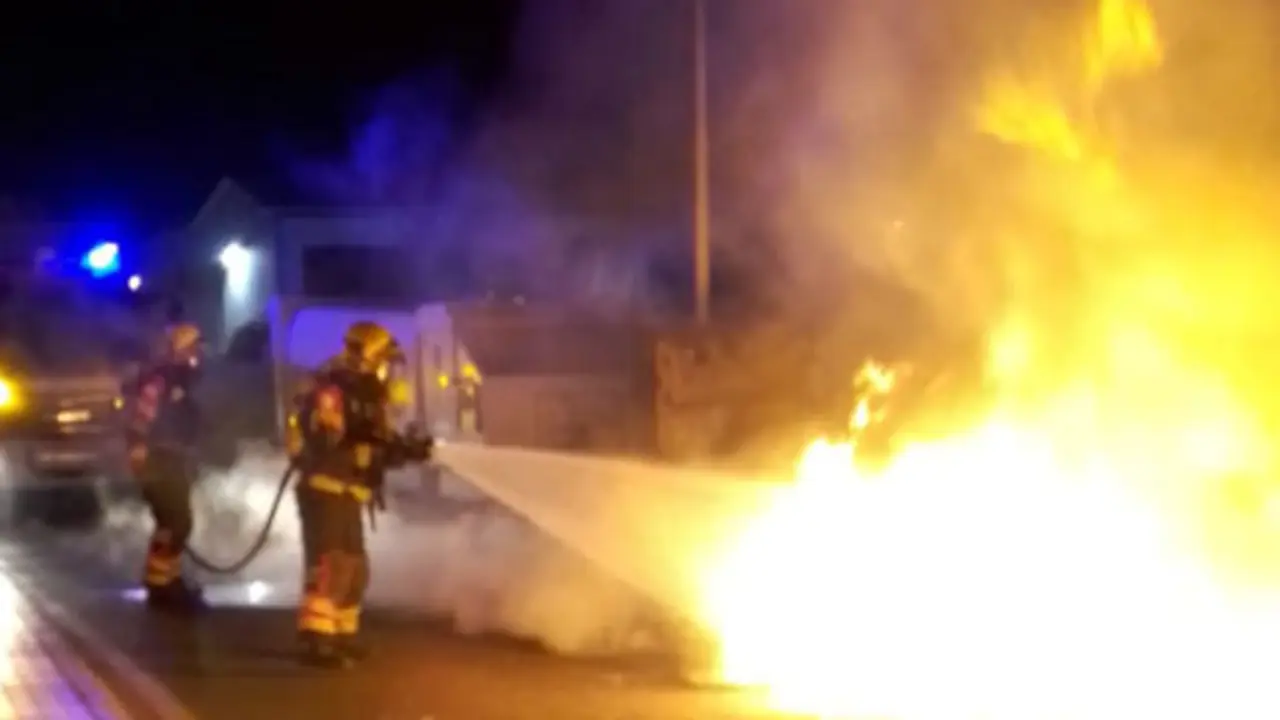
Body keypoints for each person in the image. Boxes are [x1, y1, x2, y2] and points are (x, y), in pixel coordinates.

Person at [289, 321, 429, 668]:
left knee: (355, 568)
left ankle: (342, 634)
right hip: (326, 488)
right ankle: (317, 639)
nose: (386, 368)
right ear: (366, 355)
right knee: (330, 563)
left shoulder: (367, 398)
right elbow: (329, 438)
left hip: (350, 490)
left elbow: (375, 449)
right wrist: (375, 440)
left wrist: (407, 450)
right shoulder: (332, 390)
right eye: (382, 358)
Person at [124, 321, 205, 611]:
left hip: (172, 457)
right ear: (181, 349)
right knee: (177, 521)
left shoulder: (182, 379)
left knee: (171, 523)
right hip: (159, 459)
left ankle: (163, 581)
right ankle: (162, 584)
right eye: (193, 346)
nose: (198, 352)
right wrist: (139, 448)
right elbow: (142, 416)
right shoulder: (163, 380)